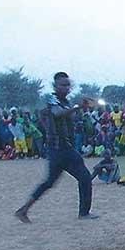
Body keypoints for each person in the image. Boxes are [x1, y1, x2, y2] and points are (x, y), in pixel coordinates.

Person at [15, 72, 97, 223]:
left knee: (49, 182)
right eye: (63, 85)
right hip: (61, 149)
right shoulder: (52, 100)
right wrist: (77, 107)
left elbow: (64, 117)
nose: (66, 88)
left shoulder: (65, 102)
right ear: (55, 86)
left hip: (60, 148)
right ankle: (84, 213)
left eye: (68, 85)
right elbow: (58, 114)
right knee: (84, 178)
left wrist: (76, 108)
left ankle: (23, 210)